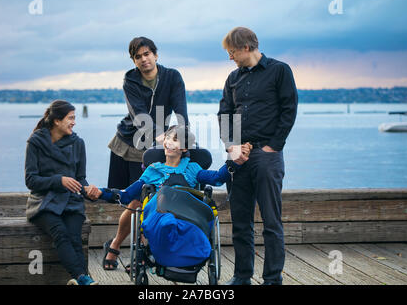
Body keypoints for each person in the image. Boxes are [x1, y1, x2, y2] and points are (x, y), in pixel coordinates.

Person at [91, 125, 248, 269]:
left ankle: (178, 244)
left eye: (175, 140)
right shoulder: (153, 170)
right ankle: (154, 245)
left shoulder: (192, 168)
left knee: (177, 209)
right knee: (160, 204)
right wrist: (100, 192)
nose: (169, 143)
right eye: (167, 138)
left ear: (184, 147)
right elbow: (126, 196)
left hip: (186, 218)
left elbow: (217, 178)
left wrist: (235, 161)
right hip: (159, 218)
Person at [218, 27, 298, 285]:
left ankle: (273, 278)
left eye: (231, 52)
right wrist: (231, 147)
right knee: (241, 221)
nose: (230, 57)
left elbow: (289, 109)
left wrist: (273, 147)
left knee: (271, 221)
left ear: (245, 48)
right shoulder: (232, 78)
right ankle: (242, 276)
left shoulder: (280, 70)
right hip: (238, 157)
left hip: (267, 155)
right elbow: (224, 115)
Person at [104, 37, 189, 269]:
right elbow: (139, 114)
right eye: (138, 56)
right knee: (136, 201)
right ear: (134, 61)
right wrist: (156, 136)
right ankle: (117, 245)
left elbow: (181, 111)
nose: (144, 59)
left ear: (156, 55)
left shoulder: (172, 77)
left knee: (153, 200)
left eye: (147, 54)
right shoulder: (130, 80)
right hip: (130, 144)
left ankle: (140, 253)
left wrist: (184, 139)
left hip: (162, 144)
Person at [25, 100, 100, 285]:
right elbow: (30, 180)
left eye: (74, 117)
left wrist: (88, 190)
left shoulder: (78, 143)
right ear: (57, 121)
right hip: (43, 202)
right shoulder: (35, 142)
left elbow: (80, 178)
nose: (74, 122)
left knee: (75, 238)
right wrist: (59, 180)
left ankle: (80, 280)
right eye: (71, 118)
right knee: (60, 233)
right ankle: (83, 278)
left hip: (71, 202)